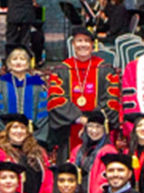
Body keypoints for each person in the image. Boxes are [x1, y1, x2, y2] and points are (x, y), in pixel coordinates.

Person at [46, 29, 121, 160]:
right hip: (70, 127)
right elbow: (56, 100)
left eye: (87, 41)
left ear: (93, 45)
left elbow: (112, 99)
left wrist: (93, 121)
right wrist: (80, 119)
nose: (83, 45)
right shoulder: (61, 71)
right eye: (79, 41)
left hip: (99, 127)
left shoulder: (106, 69)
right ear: (73, 44)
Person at [0, 114, 52, 193]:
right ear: (8, 131)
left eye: (22, 127)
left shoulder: (39, 153)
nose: (19, 131)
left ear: (27, 131)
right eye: (15, 127)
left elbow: (48, 181)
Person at [0, 47, 49, 139]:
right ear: (9, 63)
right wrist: (6, 135)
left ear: (28, 64)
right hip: (5, 140)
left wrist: (33, 137)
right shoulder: (0, 85)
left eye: (22, 59)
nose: (18, 62)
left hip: (32, 140)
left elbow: (43, 116)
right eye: (14, 59)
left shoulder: (37, 85)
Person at [71, 112, 116, 193]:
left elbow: (105, 182)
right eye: (90, 126)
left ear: (105, 129)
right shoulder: (77, 150)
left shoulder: (108, 151)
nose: (94, 130)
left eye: (98, 127)